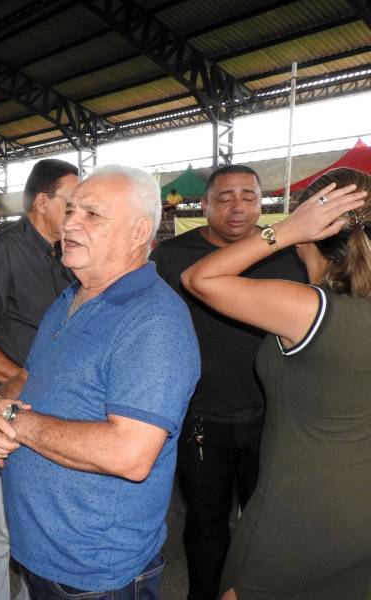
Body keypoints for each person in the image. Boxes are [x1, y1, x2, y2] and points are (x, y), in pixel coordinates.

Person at [0, 165, 200, 599]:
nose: (70, 224)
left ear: (139, 232)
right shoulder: (70, 297)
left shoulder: (154, 322)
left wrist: (16, 424)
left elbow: (130, 453)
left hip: (95, 572)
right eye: (71, 210)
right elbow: (27, 376)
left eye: (93, 214)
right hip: (47, 555)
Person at [181, 167, 371, 600]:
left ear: (310, 228)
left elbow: (199, 279)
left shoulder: (312, 309)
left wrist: (281, 231)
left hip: (301, 508)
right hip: (361, 505)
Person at [150, 165, 307, 600]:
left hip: (272, 415)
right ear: (204, 205)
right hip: (201, 416)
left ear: (262, 202)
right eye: (224, 197)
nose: (237, 206)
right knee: (205, 523)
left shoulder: (290, 255)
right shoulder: (171, 258)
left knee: (265, 523)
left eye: (248, 196)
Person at [0, 158, 79, 600]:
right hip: (3, 404)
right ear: (42, 201)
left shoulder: (68, 253)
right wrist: (24, 380)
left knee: (37, 523)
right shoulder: (2, 249)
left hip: (50, 409)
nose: (78, 210)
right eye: (71, 200)